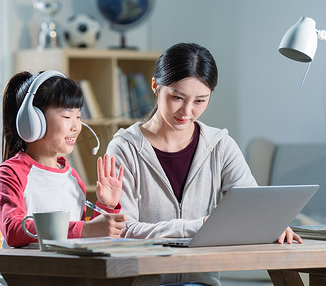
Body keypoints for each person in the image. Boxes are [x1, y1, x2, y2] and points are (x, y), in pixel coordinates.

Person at [106, 42, 301, 286]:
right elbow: (124, 230)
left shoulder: (220, 145)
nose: (187, 111)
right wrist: (198, 227)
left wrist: (271, 225)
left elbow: (252, 206)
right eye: (177, 97)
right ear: (156, 86)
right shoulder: (125, 148)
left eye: (200, 101)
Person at [0, 70, 126, 249]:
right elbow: (13, 231)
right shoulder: (10, 173)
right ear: (34, 120)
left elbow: (79, 239)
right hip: (22, 275)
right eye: (67, 116)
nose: (76, 126)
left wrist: (107, 206)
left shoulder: (73, 179)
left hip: (63, 274)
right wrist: (85, 230)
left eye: (78, 117)